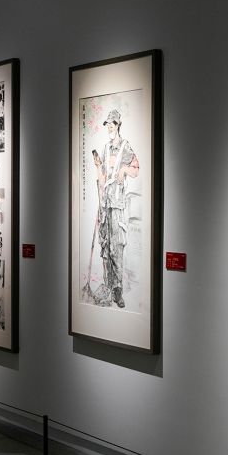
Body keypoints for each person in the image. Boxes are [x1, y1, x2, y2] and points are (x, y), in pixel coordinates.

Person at [91, 109, 139, 308]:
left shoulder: (125, 147)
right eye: (107, 124)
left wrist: (125, 169)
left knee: (116, 248)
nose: (109, 127)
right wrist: (98, 166)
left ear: (118, 125)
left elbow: (136, 169)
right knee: (105, 247)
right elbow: (102, 177)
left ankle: (117, 290)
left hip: (117, 206)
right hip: (105, 205)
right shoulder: (105, 148)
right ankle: (108, 286)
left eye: (112, 124)